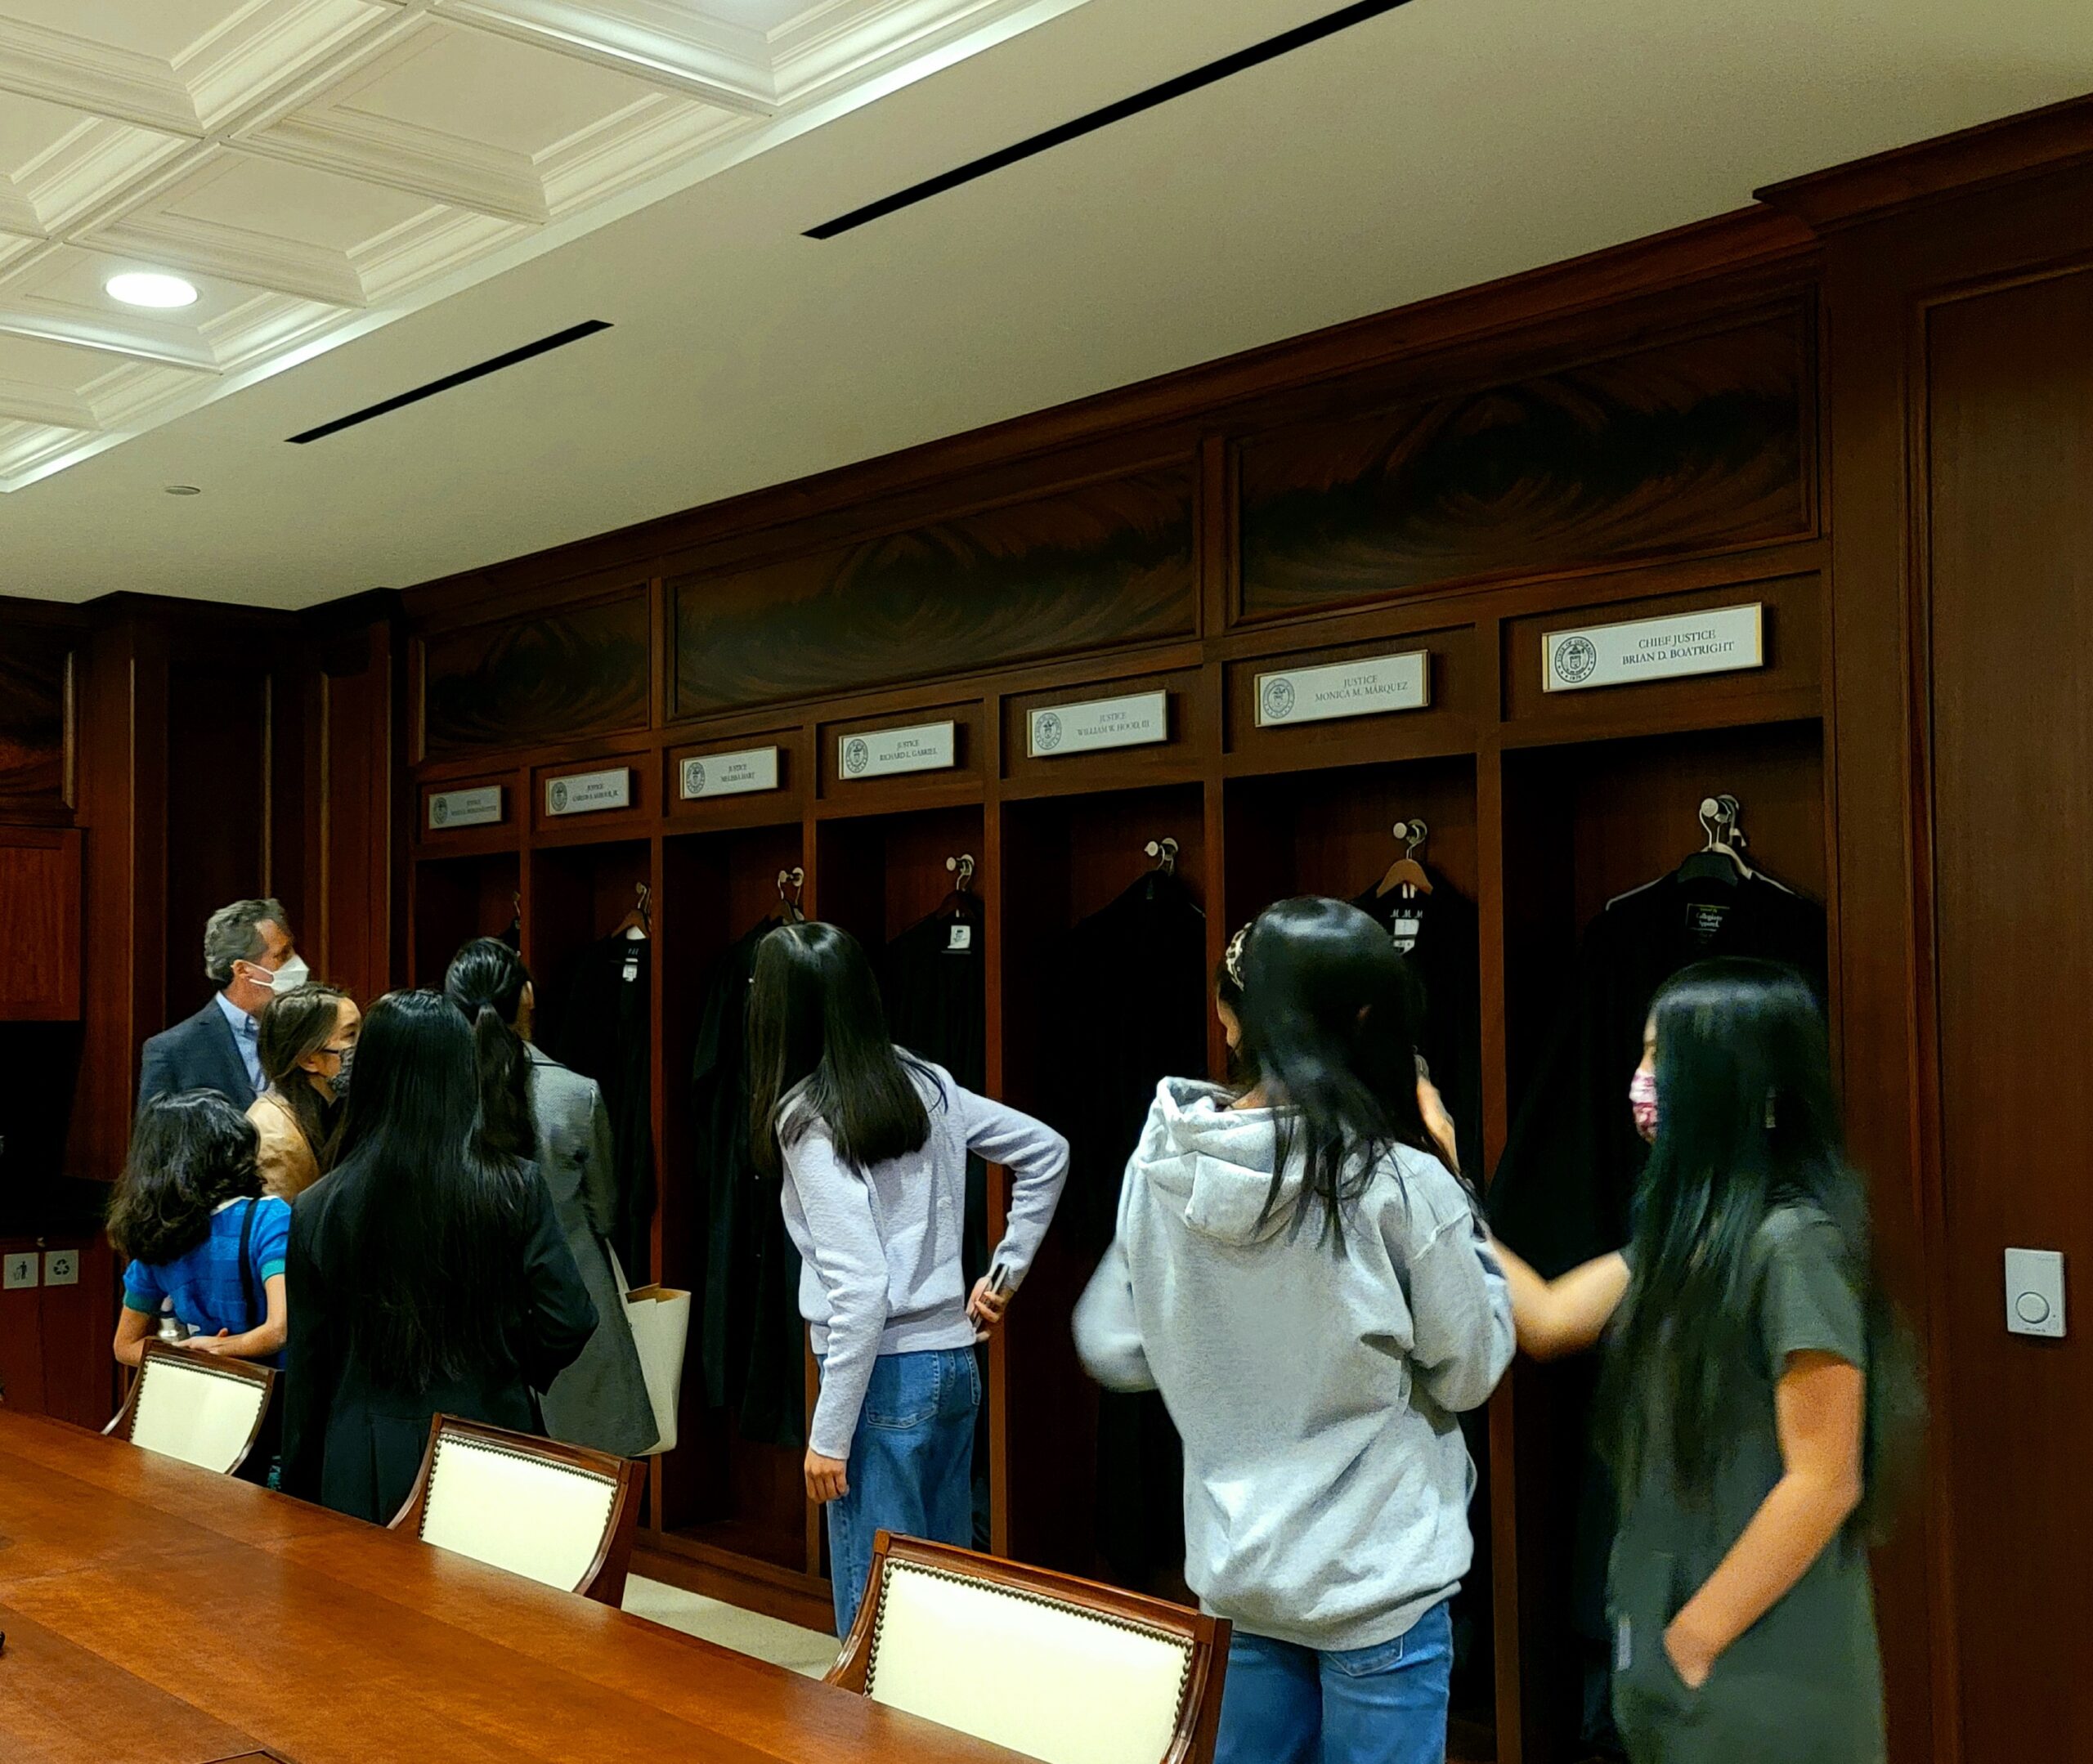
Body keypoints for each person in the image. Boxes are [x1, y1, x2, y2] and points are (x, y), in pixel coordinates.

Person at [1076, 896, 1513, 1764]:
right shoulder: (1402, 1181)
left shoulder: (1159, 1165)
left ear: (1227, 1018)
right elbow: (1470, 1371)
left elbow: (1113, 1341)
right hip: (1377, 1581)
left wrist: (1221, 1353)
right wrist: (1457, 1178)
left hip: (1238, 1573)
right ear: (1365, 1021)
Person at [1490, 960, 1903, 1764]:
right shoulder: (1685, 1243)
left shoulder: (1793, 1243)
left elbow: (1824, 1478)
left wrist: (1692, 1638)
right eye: (1643, 1057)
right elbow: (1544, 1317)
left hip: (1764, 1677)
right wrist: (1437, 1185)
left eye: (1664, 1061)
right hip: (1675, 1677)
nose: (1642, 1082)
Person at [747, 921, 1069, 1638]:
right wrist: (1005, 1274)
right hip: (953, 1369)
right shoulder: (928, 1084)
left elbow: (861, 1289)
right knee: (939, 1602)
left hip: (878, 1382)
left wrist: (828, 1435)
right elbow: (1047, 1150)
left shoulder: (807, 1117)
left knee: (877, 1625)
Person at [280, 989, 596, 1524]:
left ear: (370, 1074)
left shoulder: (317, 1207)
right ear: (461, 1070)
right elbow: (571, 1317)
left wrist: (297, 1491)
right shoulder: (513, 1185)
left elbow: (310, 1367)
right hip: (492, 1436)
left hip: (364, 1452)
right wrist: (509, 1364)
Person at [445, 936, 657, 1459]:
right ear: (529, 997)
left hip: (466, 1309)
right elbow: (605, 1212)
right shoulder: (575, 1094)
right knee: (582, 1477)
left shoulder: (439, 1098)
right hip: (570, 1302)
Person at [107, 1090, 290, 1372]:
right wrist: (219, 1349)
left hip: (204, 1395)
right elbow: (279, 1329)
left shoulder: (156, 1234)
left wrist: (191, 1356)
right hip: (273, 1392)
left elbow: (125, 1346)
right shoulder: (268, 1218)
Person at [138, 898, 307, 1111]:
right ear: (243, 970)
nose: (296, 962)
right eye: (282, 955)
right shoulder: (173, 1051)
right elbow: (156, 1140)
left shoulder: (307, 1029)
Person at [248, 983, 360, 1201]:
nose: (364, 1044)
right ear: (309, 1059)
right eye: (351, 1035)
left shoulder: (329, 1109)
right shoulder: (277, 1140)